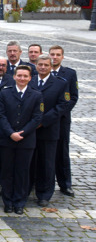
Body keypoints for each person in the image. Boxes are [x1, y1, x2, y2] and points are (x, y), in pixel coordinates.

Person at [0, 65, 43, 215]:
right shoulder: (4, 93)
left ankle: (19, 202)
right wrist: (11, 133)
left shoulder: (36, 95)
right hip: (7, 139)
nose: (22, 78)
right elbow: (1, 115)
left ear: (30, 78)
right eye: (19, 75)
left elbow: (37, 117)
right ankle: (8, 201)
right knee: (7, 171)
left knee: (22, 172)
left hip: (26, 140)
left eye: (25, 76)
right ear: (14, 76)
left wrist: (22, 133)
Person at [29, 55, 71, 207]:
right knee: (30, 162)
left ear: (51, 66)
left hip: (49, 129)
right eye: (40, 65)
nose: (42, 67)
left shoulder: (60, 84)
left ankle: (44, 194)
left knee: (47, 163)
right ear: (36, 66)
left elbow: (62, 105)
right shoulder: (30, 80)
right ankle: (27, 189)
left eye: (46, 65)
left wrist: (43, 121)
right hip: (30, 129)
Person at [48, 45, 78, 197]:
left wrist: (59, 113)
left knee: (62, 151)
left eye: (57, 54)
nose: (54, 57)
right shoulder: (43, 72)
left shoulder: (70, 73)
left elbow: (73, 97)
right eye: (52, 54)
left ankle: (65, 184)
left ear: (62, 57)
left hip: (61, 120)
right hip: (45, 120)